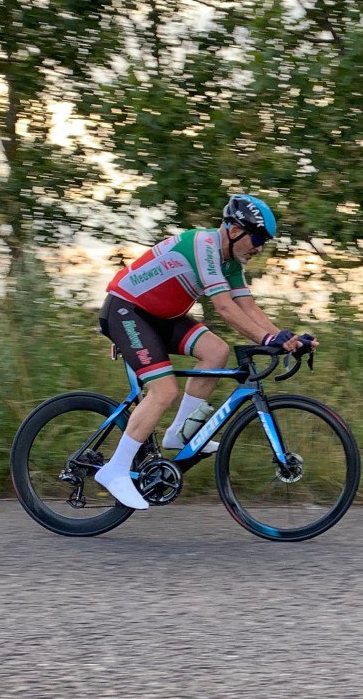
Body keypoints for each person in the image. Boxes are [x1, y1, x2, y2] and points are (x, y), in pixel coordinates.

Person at [95, 194, 316, 510]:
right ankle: (115, 470)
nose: (259, 248)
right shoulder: (204, 246)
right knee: (164, 391)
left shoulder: (231, 262)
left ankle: (179, 433)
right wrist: (268, 339)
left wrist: (287, 339)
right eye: (257, 239)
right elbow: (225, 308)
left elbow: (248, 307)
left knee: (216, 351)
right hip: (127, 311)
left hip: (159, 318)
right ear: (234, 230)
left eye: (264, 242)